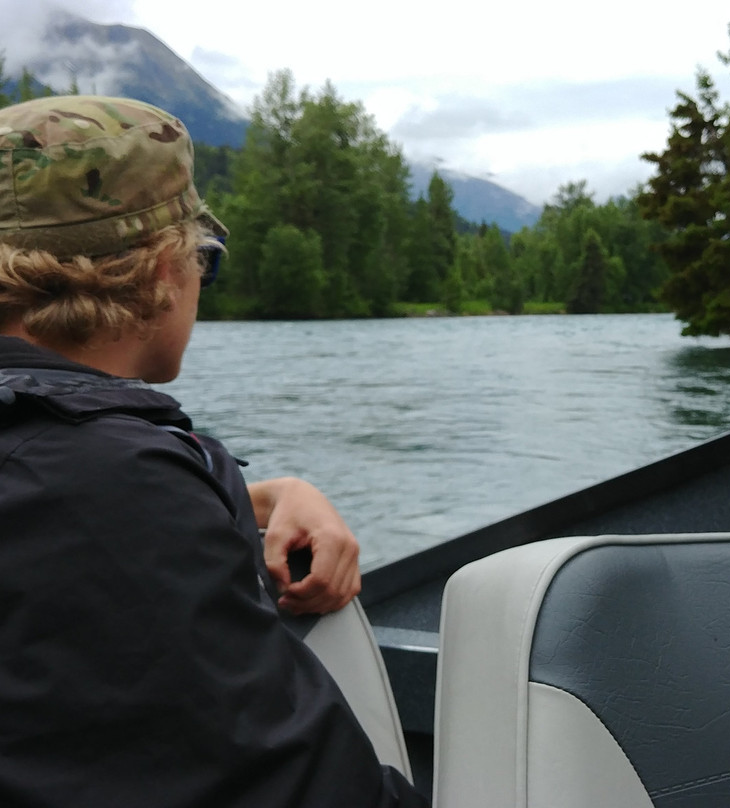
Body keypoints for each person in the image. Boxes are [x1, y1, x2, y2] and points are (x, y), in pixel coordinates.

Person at [0, 96, 427, 807]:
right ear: (166, 270)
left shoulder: (80, 462)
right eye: (206, 261)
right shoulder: (111, 485)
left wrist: (263, 492)